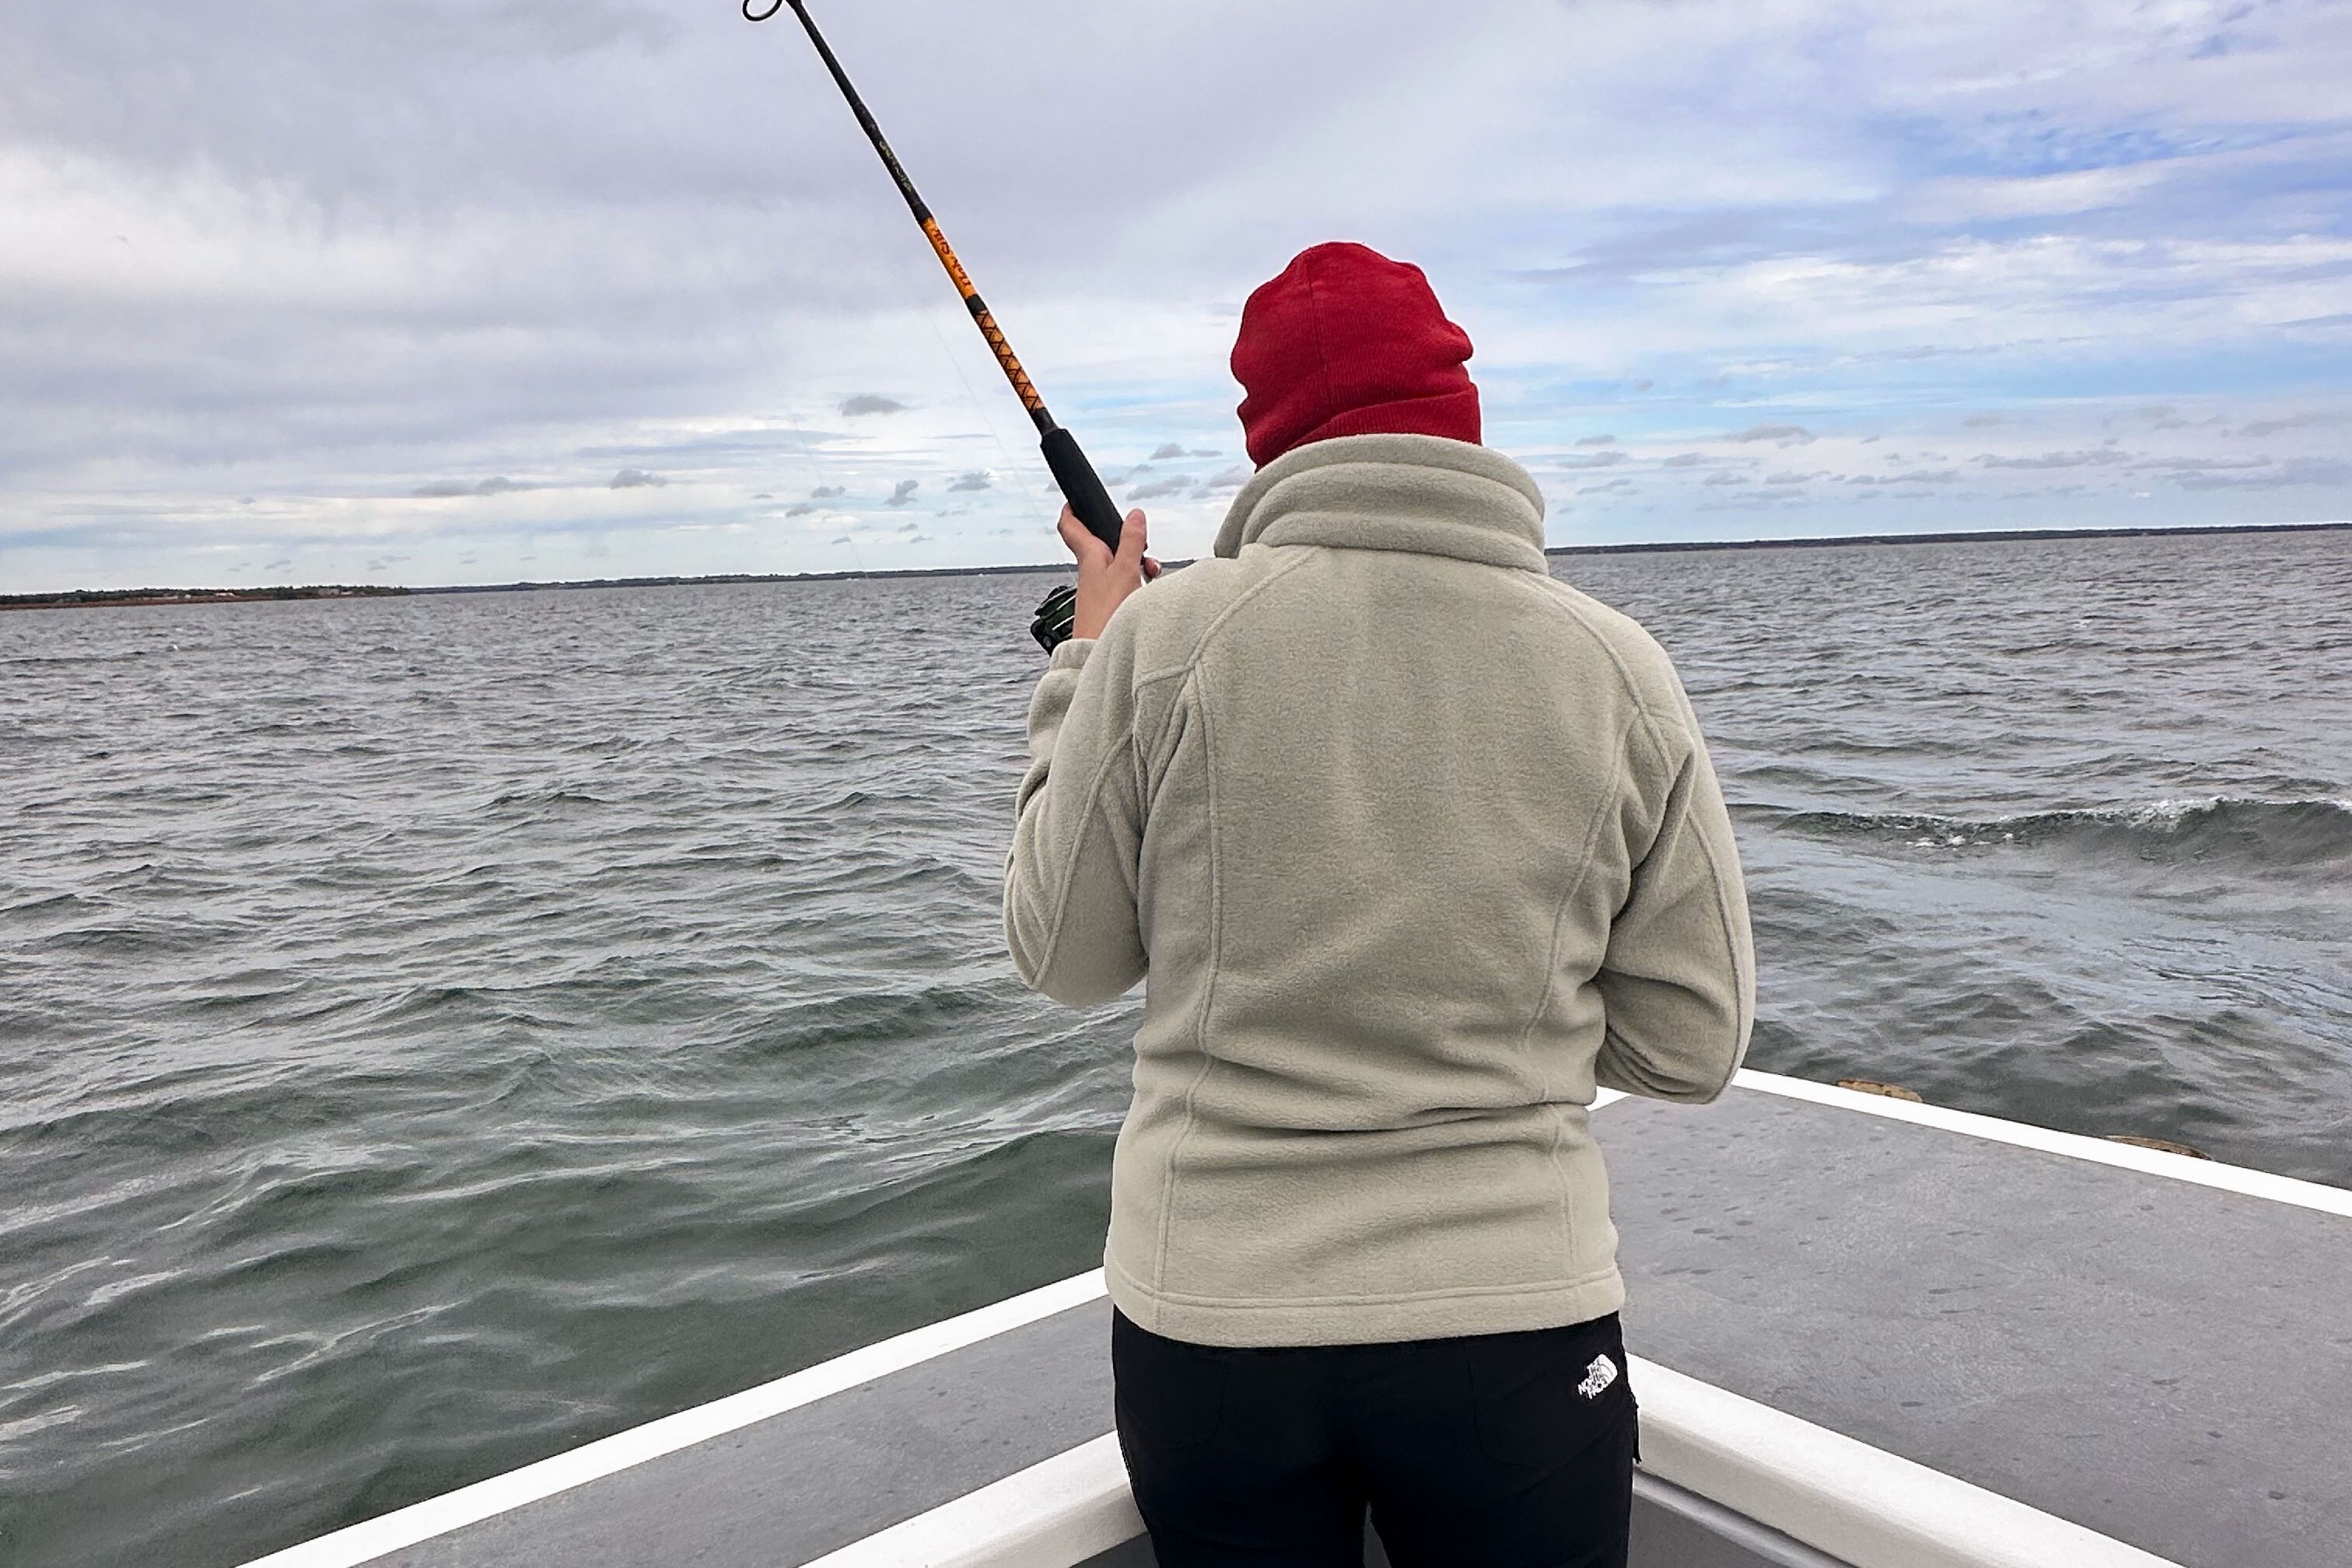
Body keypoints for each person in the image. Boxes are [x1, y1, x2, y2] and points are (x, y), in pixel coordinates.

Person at [1003, 241, 1753, 1568]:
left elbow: (1063, 956)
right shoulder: (1617, 666)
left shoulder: (1168, 645)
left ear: (1270, 444)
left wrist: (1090, 659)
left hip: (1213, 1333)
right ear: (1461, 415)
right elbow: (1692, 1048)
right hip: (1516, 1335)